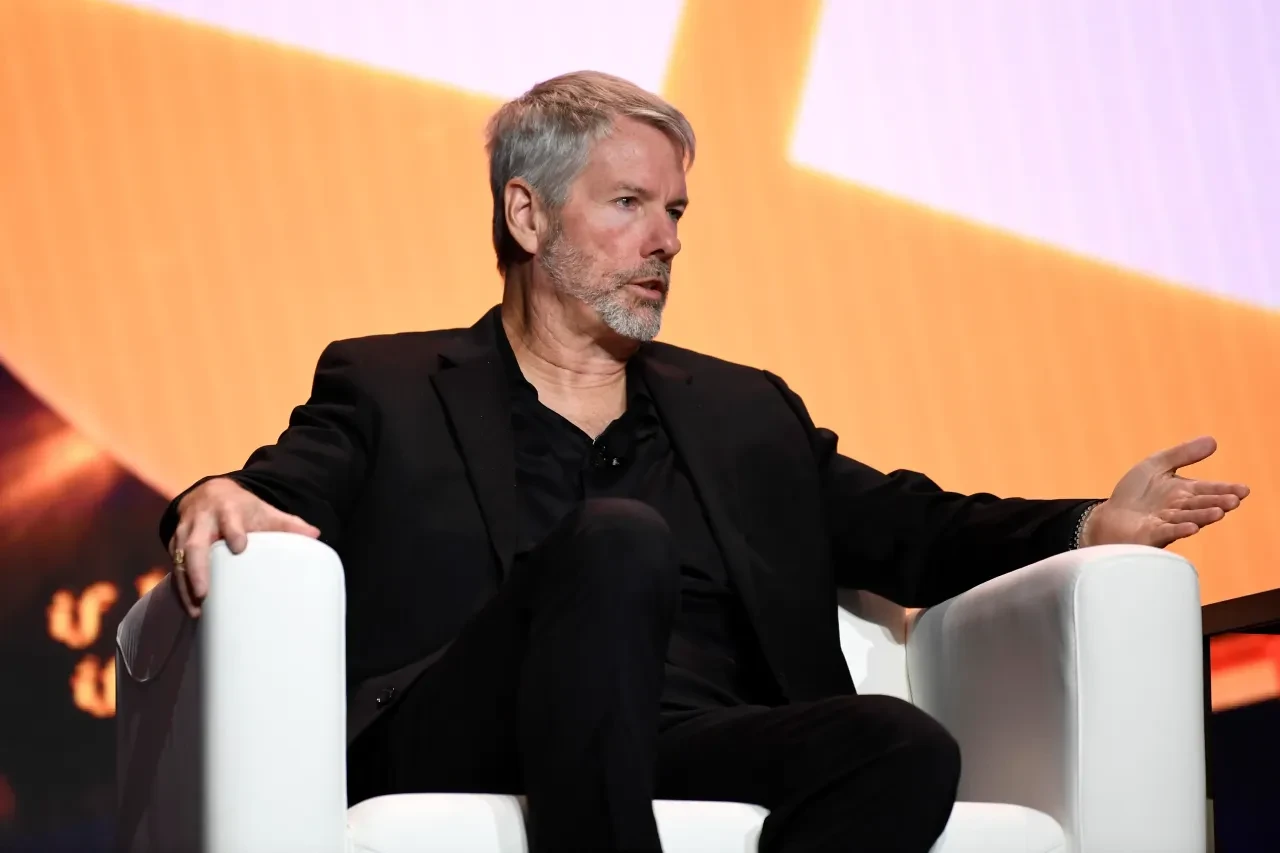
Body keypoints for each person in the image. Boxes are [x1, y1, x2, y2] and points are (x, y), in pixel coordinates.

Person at [159, 71, 1249, 853]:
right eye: (629, 204)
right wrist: (209, 494)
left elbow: (910, 527)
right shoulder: (389, 383)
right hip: (476, 727)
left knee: (898, 742)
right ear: (526, 214)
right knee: (616, 542)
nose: (667, 239)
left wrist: (1087, 525)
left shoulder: (740, 408)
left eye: (675, 211)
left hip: (684, 734)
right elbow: (270, 490)